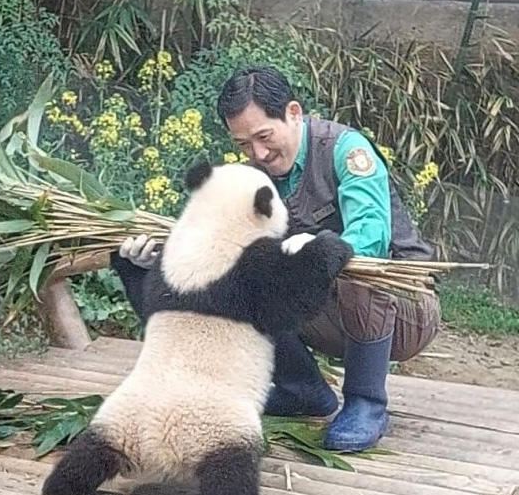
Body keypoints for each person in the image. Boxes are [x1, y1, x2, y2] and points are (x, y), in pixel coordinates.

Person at [115, 66, 440, 452]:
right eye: (243, 145)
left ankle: (367, 402)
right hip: (329, 313)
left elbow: (371, 238)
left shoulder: (346, 151)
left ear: (293, 112)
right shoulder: (253, 174)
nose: (259, 154)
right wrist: (153, 258)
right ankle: (301, 389)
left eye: (264, 137)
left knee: (352, 264)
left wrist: (317, 249)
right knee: (237, 270)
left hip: (404, 310)